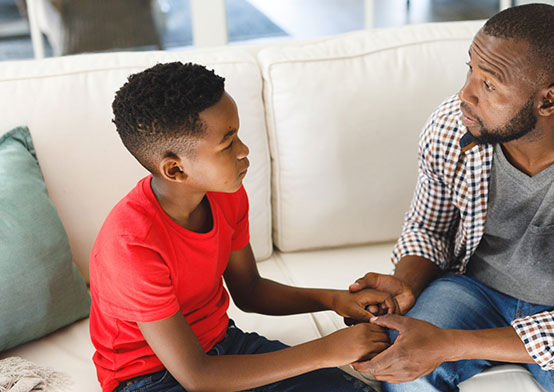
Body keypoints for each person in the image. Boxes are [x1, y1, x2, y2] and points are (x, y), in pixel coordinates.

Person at [349, 4, 554, 391]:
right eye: (470, 70)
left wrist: (448, 345)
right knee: (401, 368)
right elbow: (429, 229)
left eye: (489, 85)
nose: (464, 94)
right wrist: (405, 284)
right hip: (472, 289)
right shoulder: (452, 125)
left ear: (548, 101)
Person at [88, 62, 394, 392]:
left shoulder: (226, 195)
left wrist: (335, 300)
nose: (244, 150)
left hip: (224, 348)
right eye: (228, 143)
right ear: (175, 169)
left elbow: (249, 290)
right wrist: (327, 350)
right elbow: (198, 377)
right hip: (149, 379)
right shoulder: (132, 245)